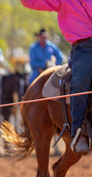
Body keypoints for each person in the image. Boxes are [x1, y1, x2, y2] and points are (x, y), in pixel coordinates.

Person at [20, 0, 92, 153]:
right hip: (84, 49)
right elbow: (31, 2)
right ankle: (79, 132)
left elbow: (58, 57)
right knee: (80, 84)